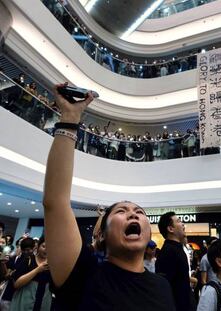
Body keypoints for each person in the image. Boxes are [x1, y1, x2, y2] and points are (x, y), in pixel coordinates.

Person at [42, 83, 174, 310]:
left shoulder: (162, 285)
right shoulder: (83, 274)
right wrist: (70, 118)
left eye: (139, 212)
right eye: (122, 211)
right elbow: (55, 202)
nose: (133, 214)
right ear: (101, 235)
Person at [156, 212, 195, 311]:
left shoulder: (176, 248)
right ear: (170, 229)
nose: (183, 224)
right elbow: (165, 286)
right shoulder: (168, 251)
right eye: (178, 221)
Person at [10, 236, 52, 311]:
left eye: (50, 247)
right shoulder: (29, 259)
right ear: (38, 246)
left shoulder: (53, 264)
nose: (46, 249)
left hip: (43, 302)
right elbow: (16, 284)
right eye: (44, 246)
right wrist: (37, 270)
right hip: (25, 301)